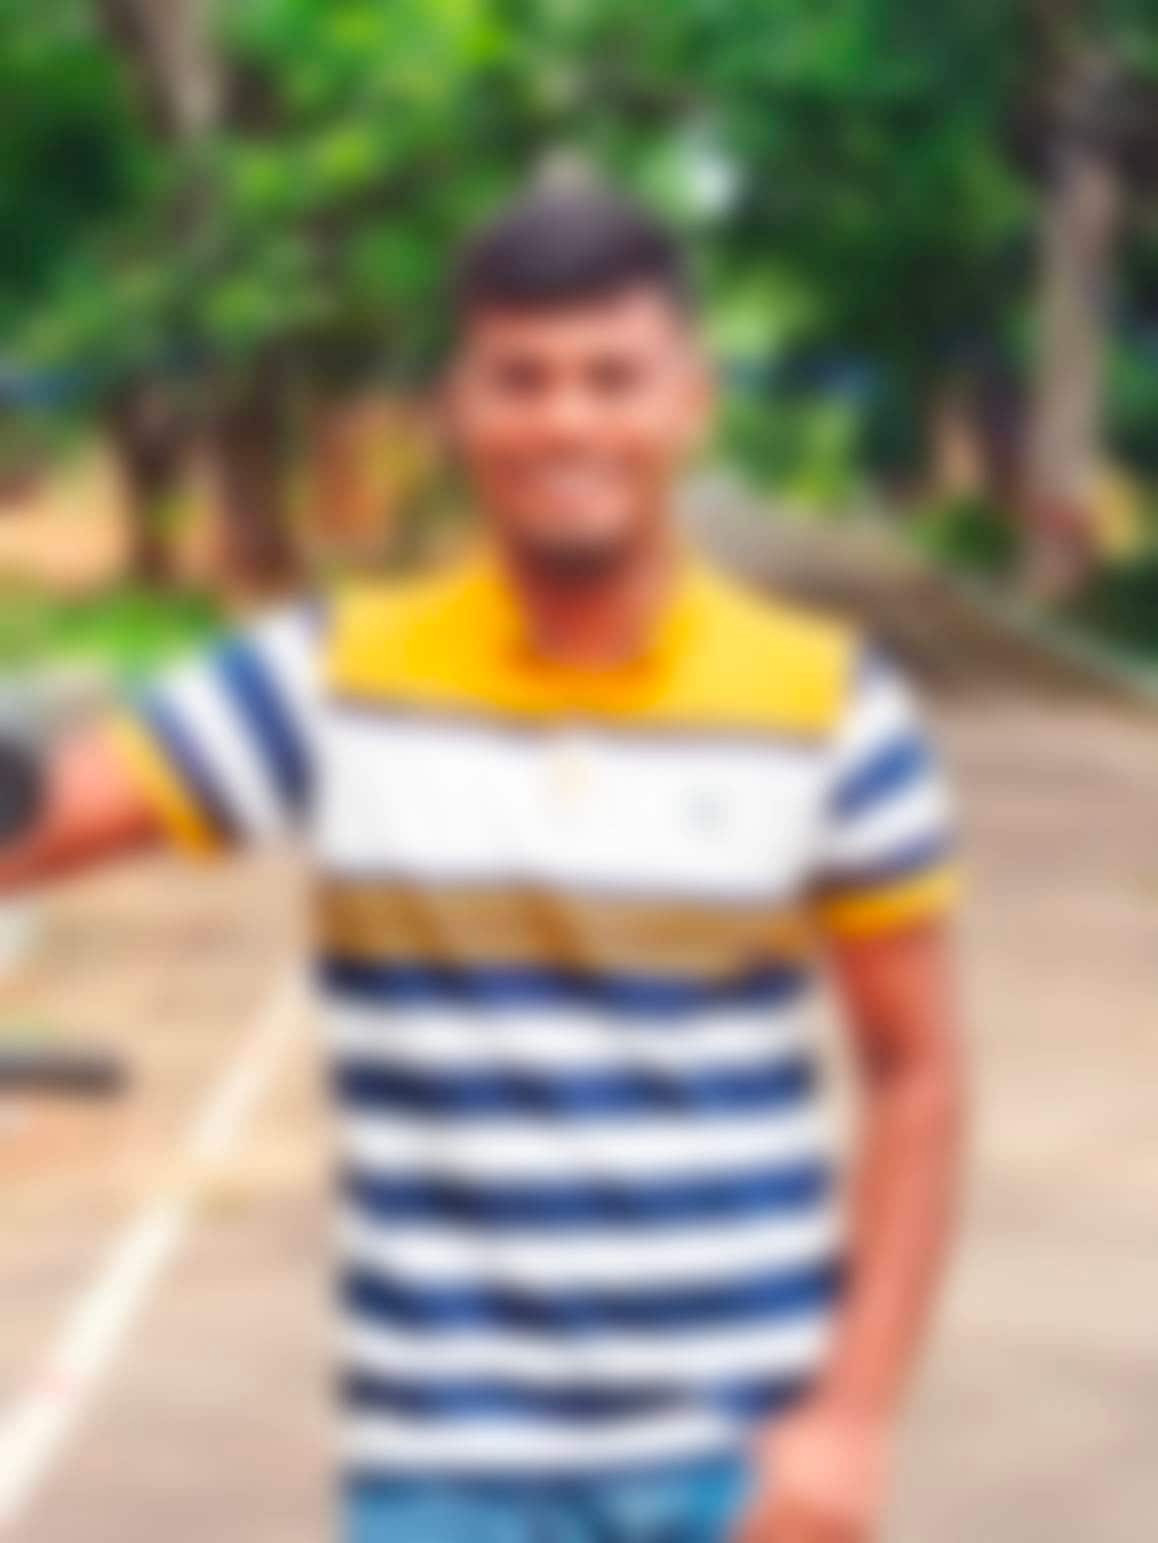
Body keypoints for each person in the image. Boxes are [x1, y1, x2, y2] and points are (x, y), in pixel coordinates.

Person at [0, 183, 964, 1543]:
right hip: (441, 1474)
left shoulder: (830, 707)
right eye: (520, 378)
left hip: (735, 1466)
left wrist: (851, 1420)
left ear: (690, 402)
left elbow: (916, 1073)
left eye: (611, 378)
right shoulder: (335, 676)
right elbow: (44, 821)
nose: (566, 421)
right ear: (456, 412)